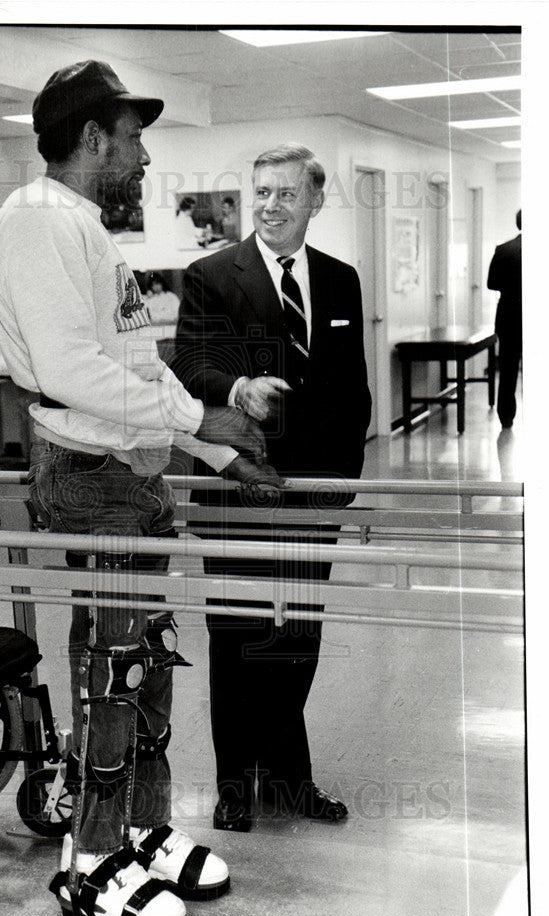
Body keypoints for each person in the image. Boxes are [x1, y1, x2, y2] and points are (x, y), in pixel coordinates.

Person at [0, 59, 282, 916]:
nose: (146, 156)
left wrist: (213, 450)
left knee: (146, 664)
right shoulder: (36, 223)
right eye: (135, 136)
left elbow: (133, 374)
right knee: (110, 672)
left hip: (132, 475)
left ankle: (141, 831)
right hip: (86, 477)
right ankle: (88, 859)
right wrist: (204, 416)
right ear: (91, 138)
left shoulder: (82, 226)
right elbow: (74, 374)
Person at [173, 142, 372, 833]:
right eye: (260, 192)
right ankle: (235, 787)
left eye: (287, 193)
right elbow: (189, 362)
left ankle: (288, 781)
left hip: (314, 496)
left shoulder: (341, 279)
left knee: (298, 640)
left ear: (315, 200)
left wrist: (344, 483)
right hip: (238, 486)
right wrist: (236, 386)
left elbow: (353, 389)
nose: (270, 205)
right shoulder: (211, 276)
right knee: (237, 638)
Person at [487, 209, 522, 428]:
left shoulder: (503, 249)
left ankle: (506, 417)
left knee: (508, 367)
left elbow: (491, 283)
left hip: (509, 314)